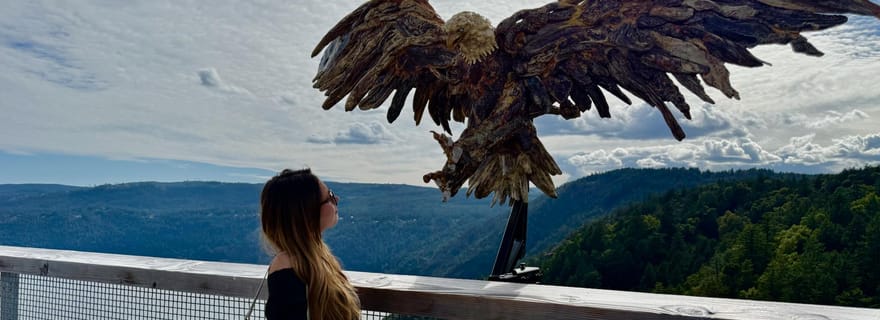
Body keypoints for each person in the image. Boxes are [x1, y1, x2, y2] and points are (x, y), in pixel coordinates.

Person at [260, 168, 360, 320]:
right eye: (330, 196)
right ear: (307, 212)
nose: (337, 199)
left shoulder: (315, 259)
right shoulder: (287, 267)